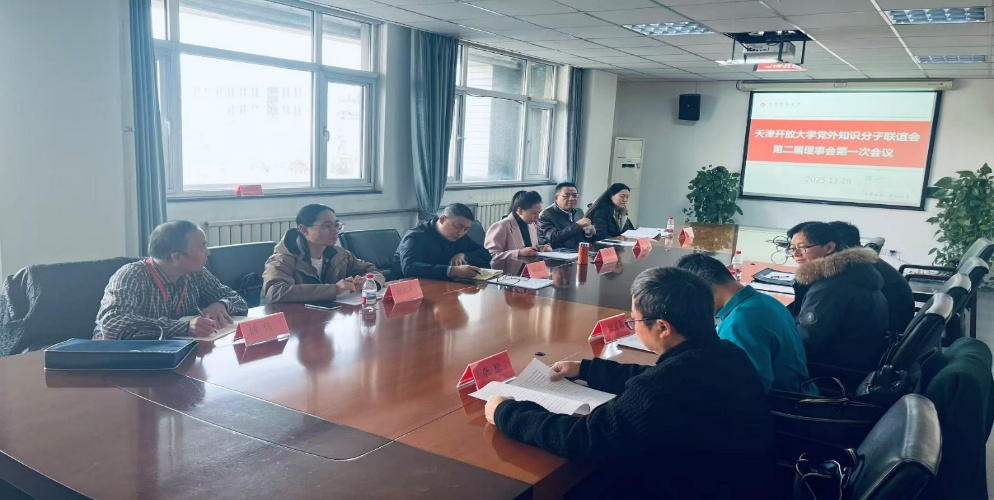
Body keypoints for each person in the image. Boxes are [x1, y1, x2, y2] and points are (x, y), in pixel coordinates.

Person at [484, 267, 775, 499]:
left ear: (662, 327)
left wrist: (507, 412)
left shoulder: (662, 387)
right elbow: (656, 377)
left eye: (634, 320)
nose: (632, 326)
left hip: (690, 488)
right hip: (742, 480)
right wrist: (588, 369)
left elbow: (584, 439)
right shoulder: (726, 352)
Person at [676, 253, 813, 394]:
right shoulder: (765, 301)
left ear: (701, 290)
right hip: (802, 391)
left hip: (781, 402)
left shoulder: (738, 324)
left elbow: (747, 390)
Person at [93, 220, 248, 340]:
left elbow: (238, 301)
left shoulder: (196, 273)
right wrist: (184, 327)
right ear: (177, 257)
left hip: (175, 352)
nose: (208, 252)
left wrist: (221, 304)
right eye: (202, 248)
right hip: (123, 359)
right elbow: (113, 323)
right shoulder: (131, 276)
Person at [787, 221, 889, 375]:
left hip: (838, 369)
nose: (796, 254)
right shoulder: (855, 270)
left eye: (803, 247)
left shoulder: (829, 288)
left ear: (829, 247)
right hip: (863, 358)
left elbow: (806, 342)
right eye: (792, 248)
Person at [262, 204, 385, 303]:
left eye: (336, 225)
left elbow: (373, 271)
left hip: (328, 317)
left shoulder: (340, 255)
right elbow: (275, 292)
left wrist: (368, 281)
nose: (335, 231)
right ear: (304, 230)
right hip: (293, 320)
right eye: (327, 226)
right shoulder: (282, 259)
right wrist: (334, 289)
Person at [828, 221, 915, 336]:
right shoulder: (863, 262)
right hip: (894, 325)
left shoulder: (853, 268)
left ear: (834, 246)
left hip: (888, 332)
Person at [392, 203, 492, 280]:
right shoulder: (416, 236)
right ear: (442, 219)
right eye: (458, 227)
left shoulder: (459, 237)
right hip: (407, 290)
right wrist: (452, 271)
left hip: (443, 286)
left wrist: (464, 255)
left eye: (466, 229)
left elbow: (486, 255)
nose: (461, 233)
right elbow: (410, 268)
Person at [484, 191, 552, 266]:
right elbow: (491, 255)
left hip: (529, 268)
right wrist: (519, 253)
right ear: (520, 211)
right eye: (534, 213)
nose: (537, 217)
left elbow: (531, 248)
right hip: (507, 271)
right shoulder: (501, 226)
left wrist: (541, 248)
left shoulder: (531, 225)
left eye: (539, 213)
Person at [537, 182, 596, 249]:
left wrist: (588, 234)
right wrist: (577, 225)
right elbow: (552, 238)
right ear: (556, 198)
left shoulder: (578, 212)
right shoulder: (545, 215)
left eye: (575, 196)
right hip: (556, 252)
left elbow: (580, 239)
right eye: (566, 196)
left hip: (576, 251)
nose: (571, 199)